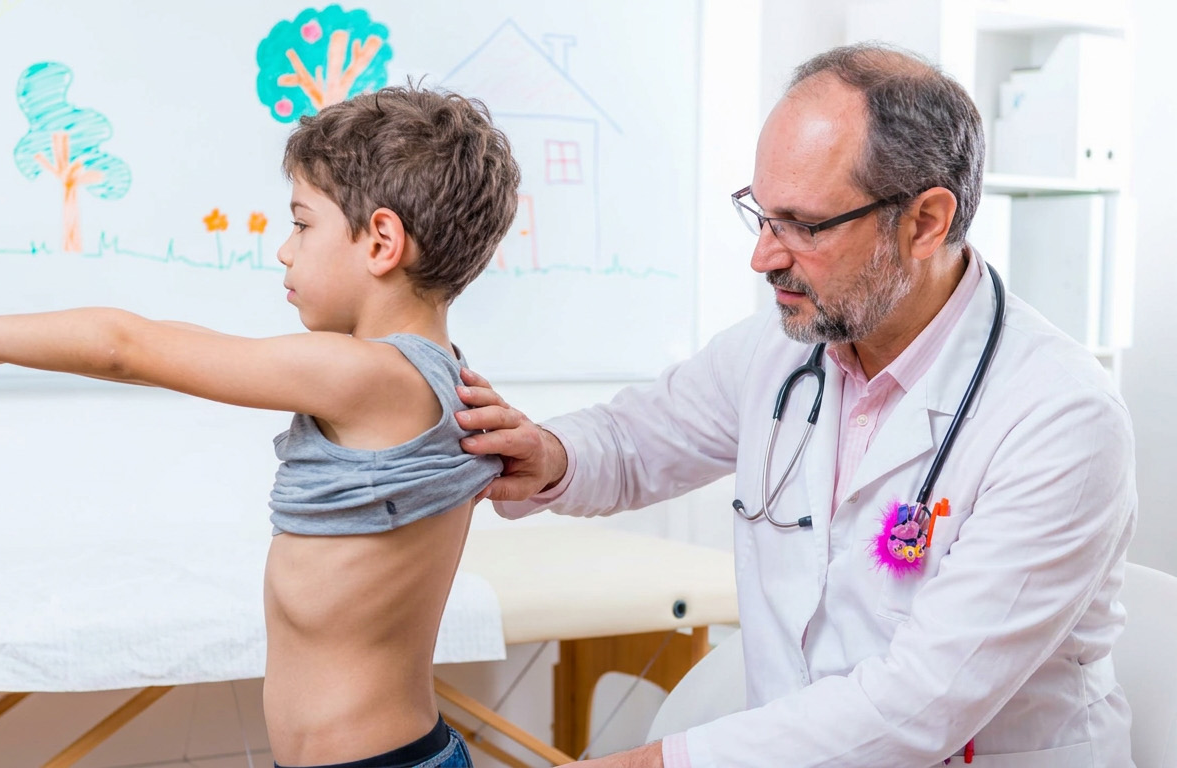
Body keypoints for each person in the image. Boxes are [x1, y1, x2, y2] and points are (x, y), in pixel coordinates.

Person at [455, 44, 1136, 767]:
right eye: (760, 214)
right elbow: (635, 440)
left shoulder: (1060, 418)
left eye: (803, 226)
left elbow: (922, 703)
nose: (764, 257)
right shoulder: (780, 353)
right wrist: (549, 454)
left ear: (926, 222)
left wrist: (654, 763)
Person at [0, 85, 521, 768]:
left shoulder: (371, 377)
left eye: (302, 224)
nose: (285, 249)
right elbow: (158, 345)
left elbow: (127, 346)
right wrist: (1, 346)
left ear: (381, 242)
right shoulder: (431, 375)